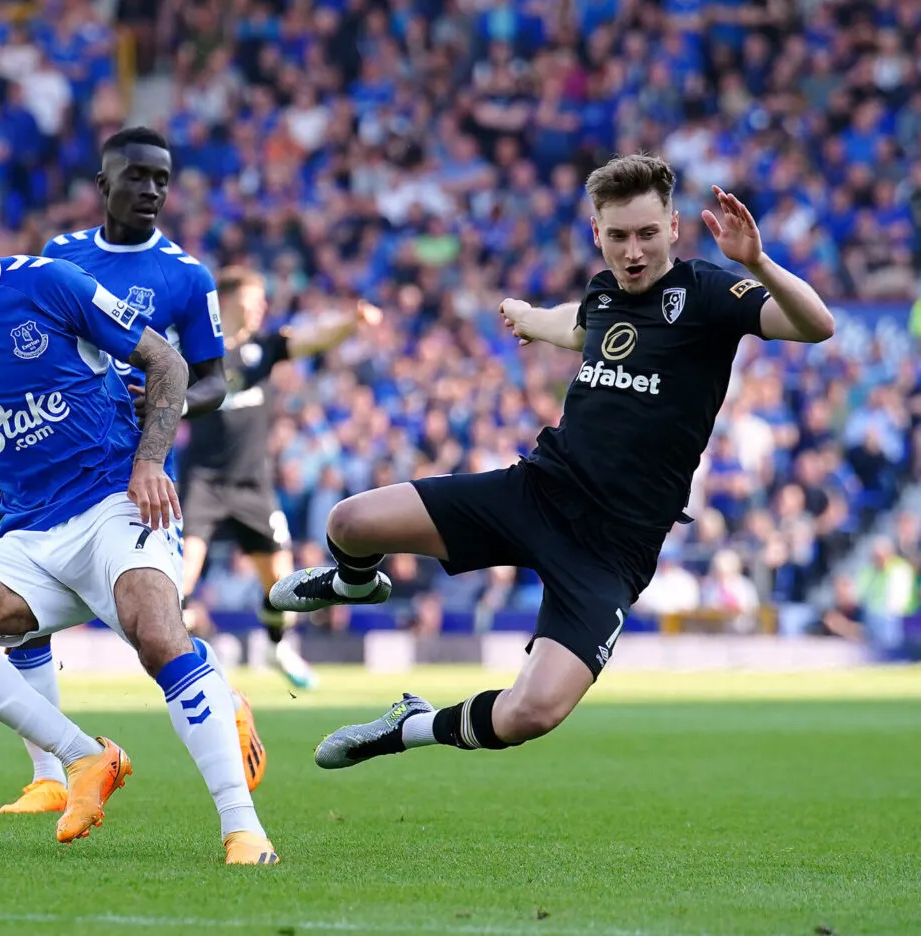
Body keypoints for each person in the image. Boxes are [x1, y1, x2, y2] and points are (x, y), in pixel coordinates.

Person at [269, 154, 834, 767]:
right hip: (537, 492)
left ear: (673, 226)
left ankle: (409, 727)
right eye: (617, 236)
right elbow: (582, 325)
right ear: (597, 234)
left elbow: (816, 324)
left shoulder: (708, 291)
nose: (633, 251)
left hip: (613, 546)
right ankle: (355, 584)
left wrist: (755, 262)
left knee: (531, 712)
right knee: (347, 523)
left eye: (647, 233)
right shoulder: (603, 292)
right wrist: (532, 320)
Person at [0, 177, 278, 864]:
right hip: (32, 537)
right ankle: (87, 759)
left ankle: (243, 829)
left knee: (156, 633)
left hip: (117, 500)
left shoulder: (48, 284)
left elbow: (167, 364)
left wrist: (150, 463)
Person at [0, 126, 265, 815]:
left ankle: (224, 704)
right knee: (24, 622)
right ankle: (51, 775)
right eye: (138, 176)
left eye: (162, 180)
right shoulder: (61, 257)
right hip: (52, 461)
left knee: (149, 627)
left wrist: (161, 400)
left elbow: (212, 381)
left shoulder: (186, 276)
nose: (151, 191)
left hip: (131, 472)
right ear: (103, 184)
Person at [183, 266, 382, 689]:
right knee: (182, 576)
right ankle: (180, 652)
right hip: (202, 480)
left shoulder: (265, 348)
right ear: (229, 301)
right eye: (254, 300)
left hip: (253, 482)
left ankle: (276, 646)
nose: (262, 308)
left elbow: (311, 339)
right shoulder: (197, 351)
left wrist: (350, 321)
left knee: (281, 583)